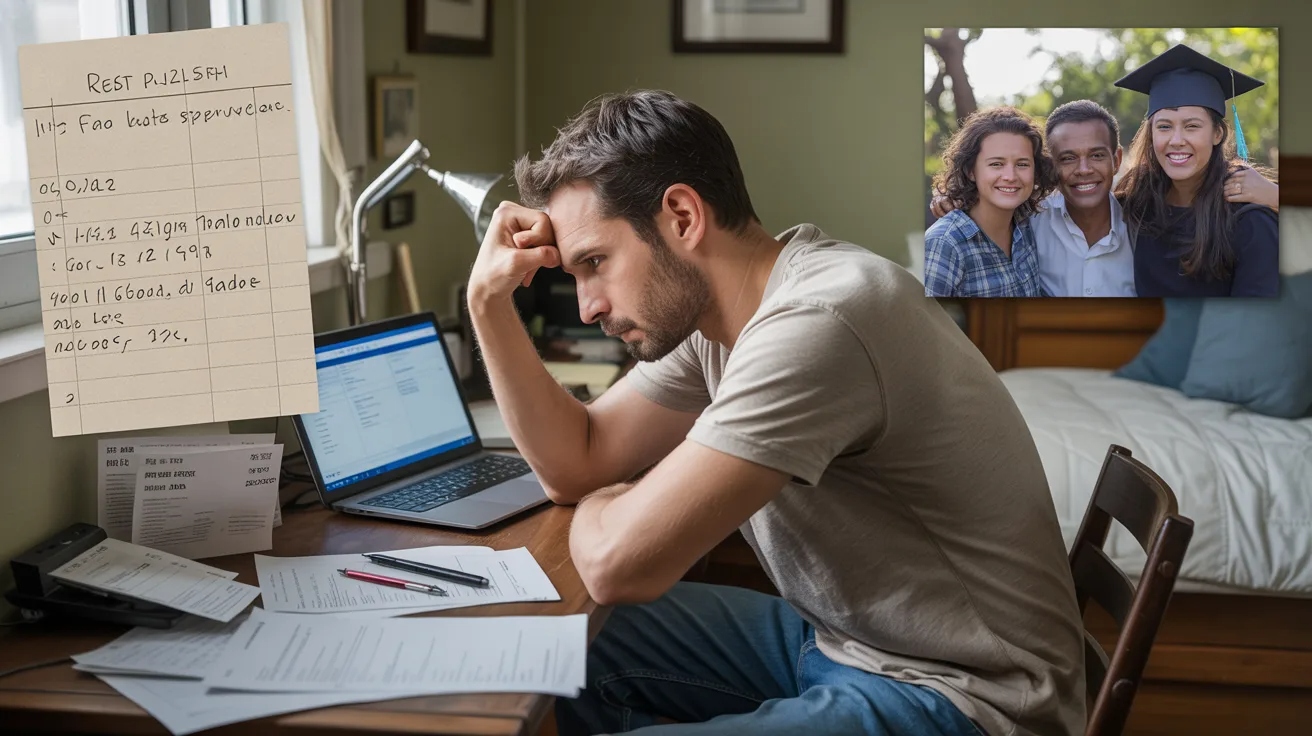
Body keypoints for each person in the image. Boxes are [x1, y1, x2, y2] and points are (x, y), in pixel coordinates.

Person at [466, 89, 1086, 736]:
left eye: (595, 263)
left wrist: (612, 502)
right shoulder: (720, 319)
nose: (588, 305)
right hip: (846, 643)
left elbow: (618, 564)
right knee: (565, 640)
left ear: (682, 216)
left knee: (589, 607)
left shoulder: (822, 320)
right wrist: (488, 303)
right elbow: (577, 463)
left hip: (963, 694)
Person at [929, 100, 1279, 297]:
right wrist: (956, 199)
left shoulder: (1145, 222)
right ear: (1051, 164)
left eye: (1097, 156)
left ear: (1116, 159)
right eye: (1068, 158)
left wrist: (1278, 194)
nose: (1084, 170)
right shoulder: (1029, 221)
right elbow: (995, 196)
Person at [1113, 43, 1280, 297]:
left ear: (1217, 134)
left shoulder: (1250, 220)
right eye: (1164, 127)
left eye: (1192, 126)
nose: (1176, 140)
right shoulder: (1135, 207)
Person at [922, 106, 1056, 297]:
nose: (1010, 176)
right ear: (970, 171)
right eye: (996, 164)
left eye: (1022, 164)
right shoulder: (945, 243)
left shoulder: (1028, 223)